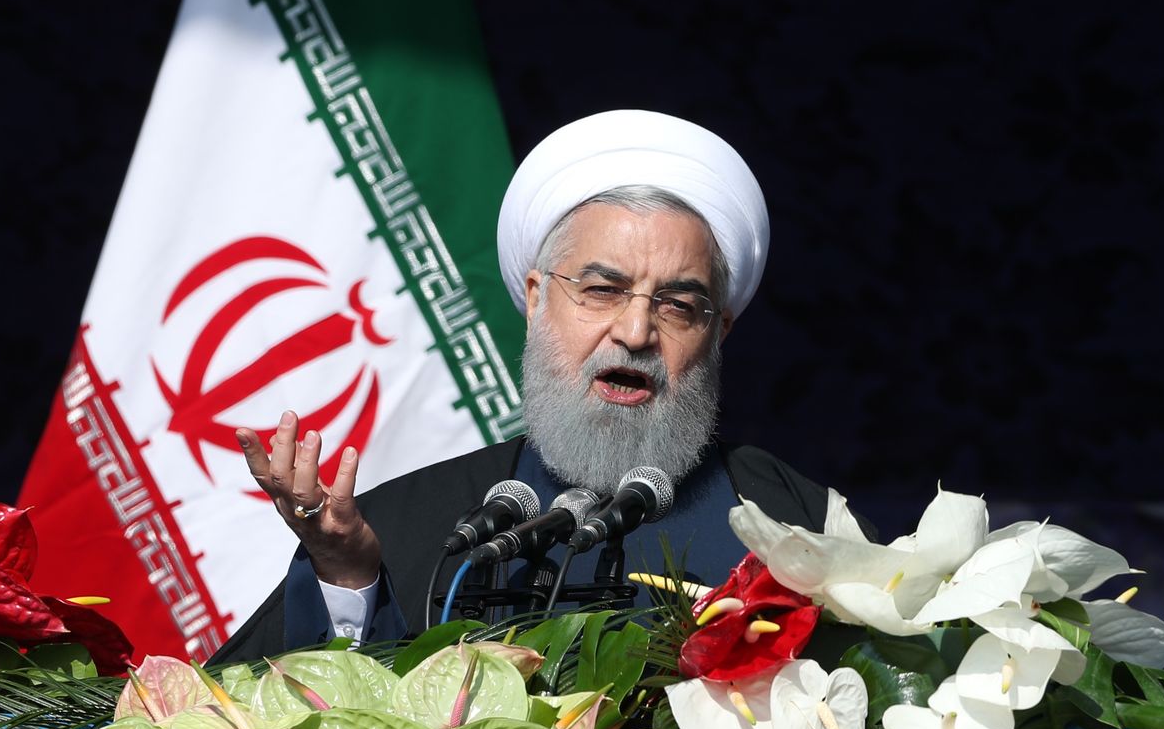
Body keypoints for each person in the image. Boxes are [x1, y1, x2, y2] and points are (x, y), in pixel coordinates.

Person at [216, 110, 856, 659]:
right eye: (602, 290)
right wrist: (347, 577)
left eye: (677, 306)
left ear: (718, 330)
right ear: (535, 297)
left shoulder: (804, 528)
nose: (635, 331)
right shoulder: (410, 529)